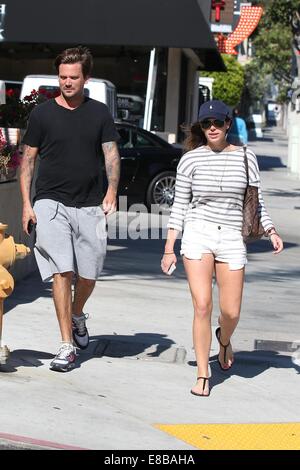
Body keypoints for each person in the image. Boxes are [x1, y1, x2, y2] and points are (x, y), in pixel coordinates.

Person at [161, 100, 283, 396]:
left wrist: (271, 229)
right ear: (200, 127)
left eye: (217, 122)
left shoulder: (245, 157)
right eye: (206, 124)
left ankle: (224, 339)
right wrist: (169, 247)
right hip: (198, 235)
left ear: (228, 123)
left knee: (231, 312)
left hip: (231, 237)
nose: (212, 128)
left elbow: (256, 202)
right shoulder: (190, 160)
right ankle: (204, 374)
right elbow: (179, 206)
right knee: (202, 305)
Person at [20, 46, 120, 372]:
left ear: (85, 78)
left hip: (90, 204)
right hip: (50, 201)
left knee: (88, 275)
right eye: (62, 77)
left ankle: (78, 313)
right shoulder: (42, 114)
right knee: (62, 271)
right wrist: (26, 204)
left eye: (73, 77)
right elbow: (28, 160)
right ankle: (66, 345)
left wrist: (112, 191)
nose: (66, 82)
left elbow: (111, 155)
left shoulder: (100, 113)